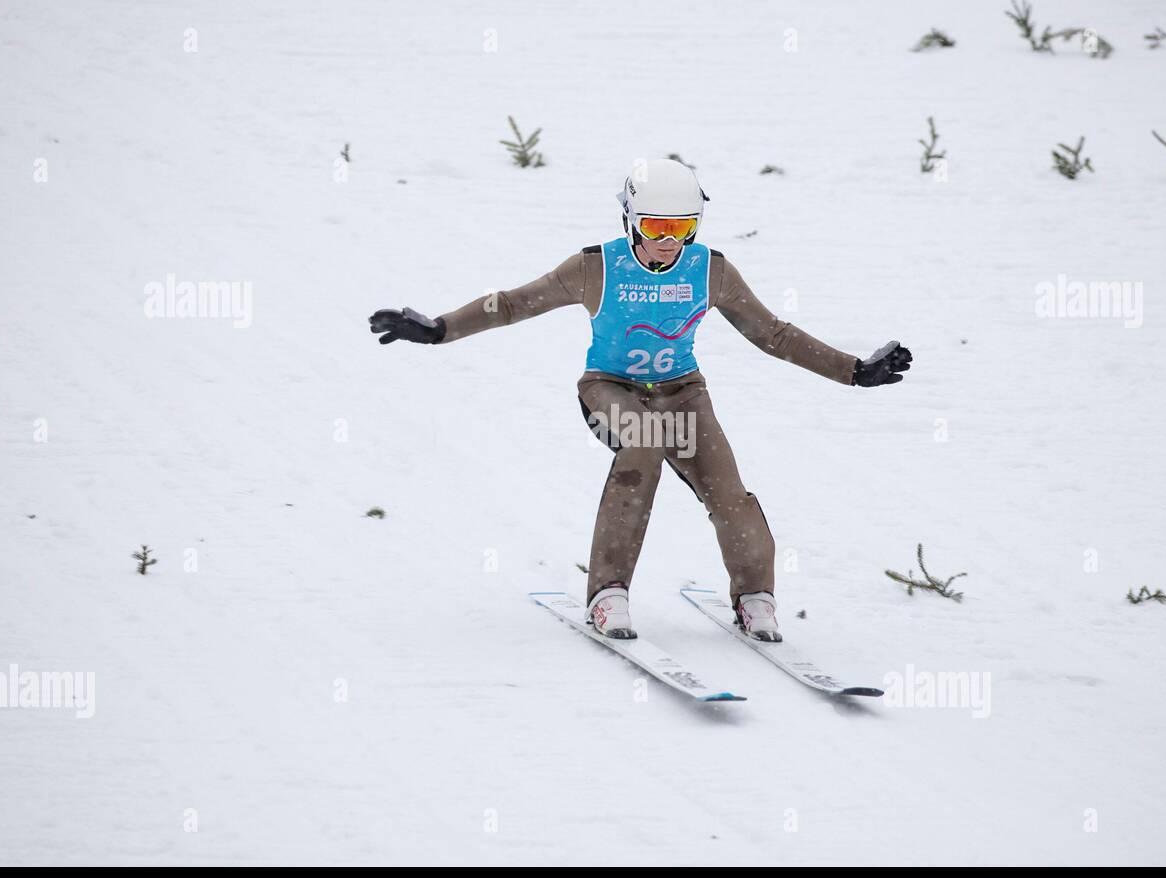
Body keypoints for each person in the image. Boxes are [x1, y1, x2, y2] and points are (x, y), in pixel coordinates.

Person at [368, 158, 911, 643]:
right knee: (644, 449)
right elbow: (512, 304)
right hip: (610, 389)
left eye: (683, 228)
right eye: (656, 227)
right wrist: (441, 329)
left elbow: (774, 334)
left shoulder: (710, 271)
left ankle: (754, 597)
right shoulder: (595, 268)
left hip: (683, 394)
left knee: (728, 491)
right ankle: (608, 593)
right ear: (630, 219)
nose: (670, 240)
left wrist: (854, 371)